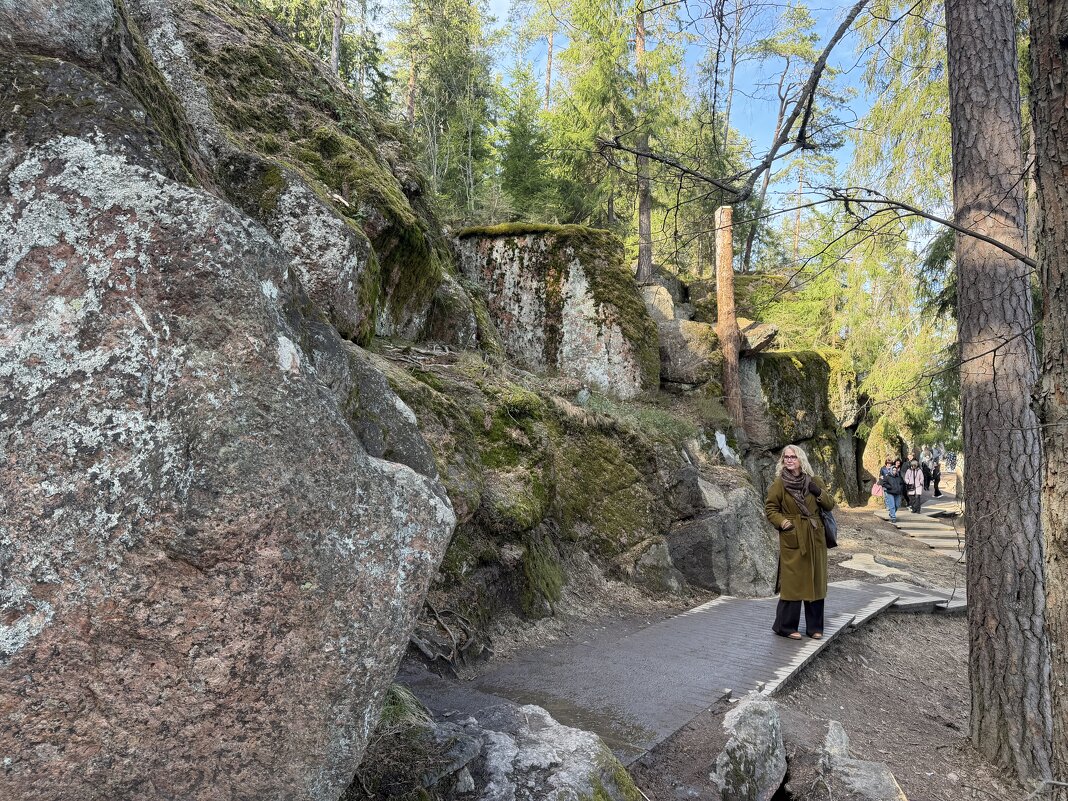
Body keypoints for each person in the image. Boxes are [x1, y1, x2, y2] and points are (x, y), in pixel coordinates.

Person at [764, 445, 835, 641]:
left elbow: (830, 504)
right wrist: (784, 523)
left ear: (800, 459)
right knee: (793, 582)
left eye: (793, 457)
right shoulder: (779, 484)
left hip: (814, 536)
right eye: (785, 457)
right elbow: (770, 509)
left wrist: (818, 492)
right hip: (793, 537)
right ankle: (784, 626)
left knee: (815, 580)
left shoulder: (814, 481)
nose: (789, 460)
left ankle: (814, 628)